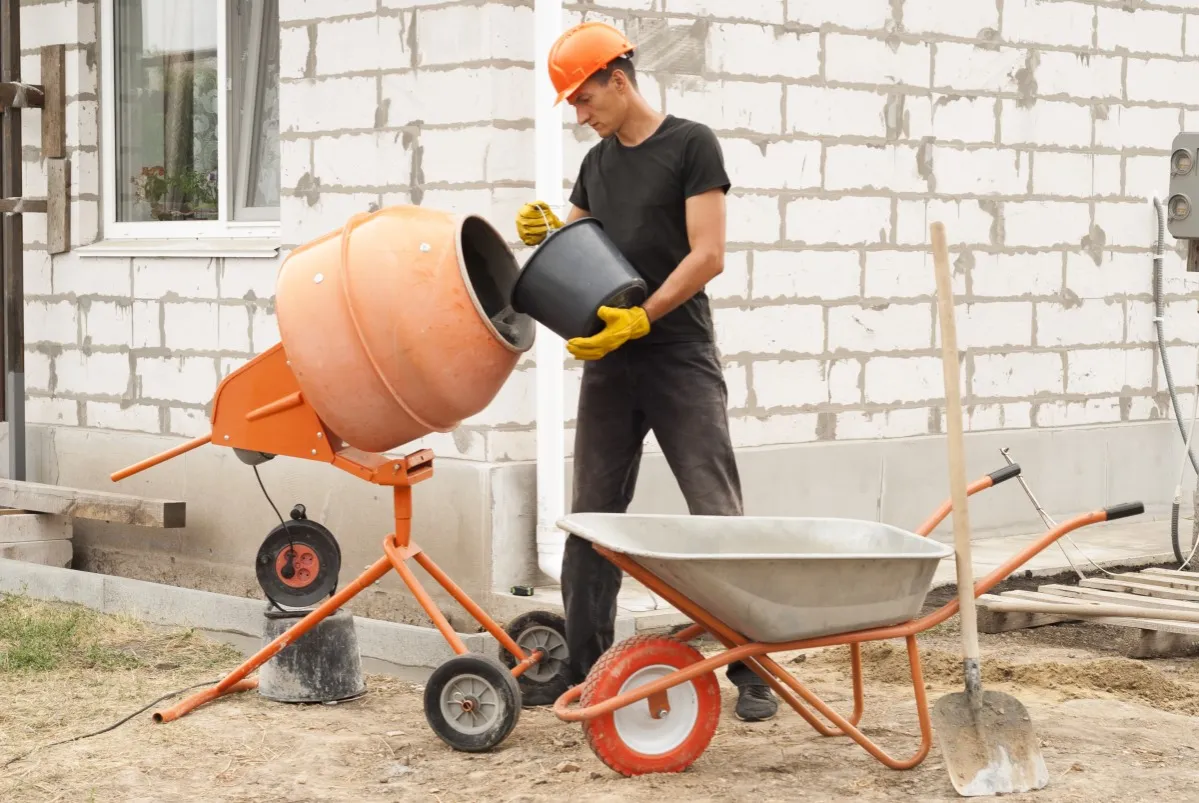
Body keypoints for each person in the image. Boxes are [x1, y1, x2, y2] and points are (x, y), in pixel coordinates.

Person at [514, 21, 779, 723]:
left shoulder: (690, 146)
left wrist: (645, 316)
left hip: (678, 357)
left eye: (582, 97)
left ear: (618, 79)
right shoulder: (599, 162)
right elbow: (576, 244)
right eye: (571, 104)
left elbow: (708, 254)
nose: (579, 114)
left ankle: (752, 670)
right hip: (613, 363)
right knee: (591, 519)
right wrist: (552, 232)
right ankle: (583, 662)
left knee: (715, 513)